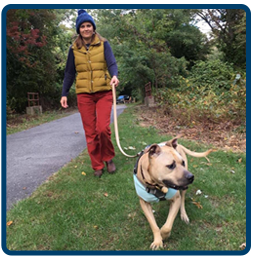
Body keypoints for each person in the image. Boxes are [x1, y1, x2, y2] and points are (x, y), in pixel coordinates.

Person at [60, 9, 119, 178]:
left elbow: (112, 63)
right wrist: (64, 93)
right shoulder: (74, 49)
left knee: (102, 129)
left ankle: (108, 158)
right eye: (83, 26)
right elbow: (69, 73)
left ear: (93, 28)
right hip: (84, 95)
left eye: (89, 25)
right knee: (90, 132)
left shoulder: (103, 43)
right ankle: (97, 165)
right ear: (78, 29)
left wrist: (114, 76)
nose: (86, 29)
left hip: (104, 92)